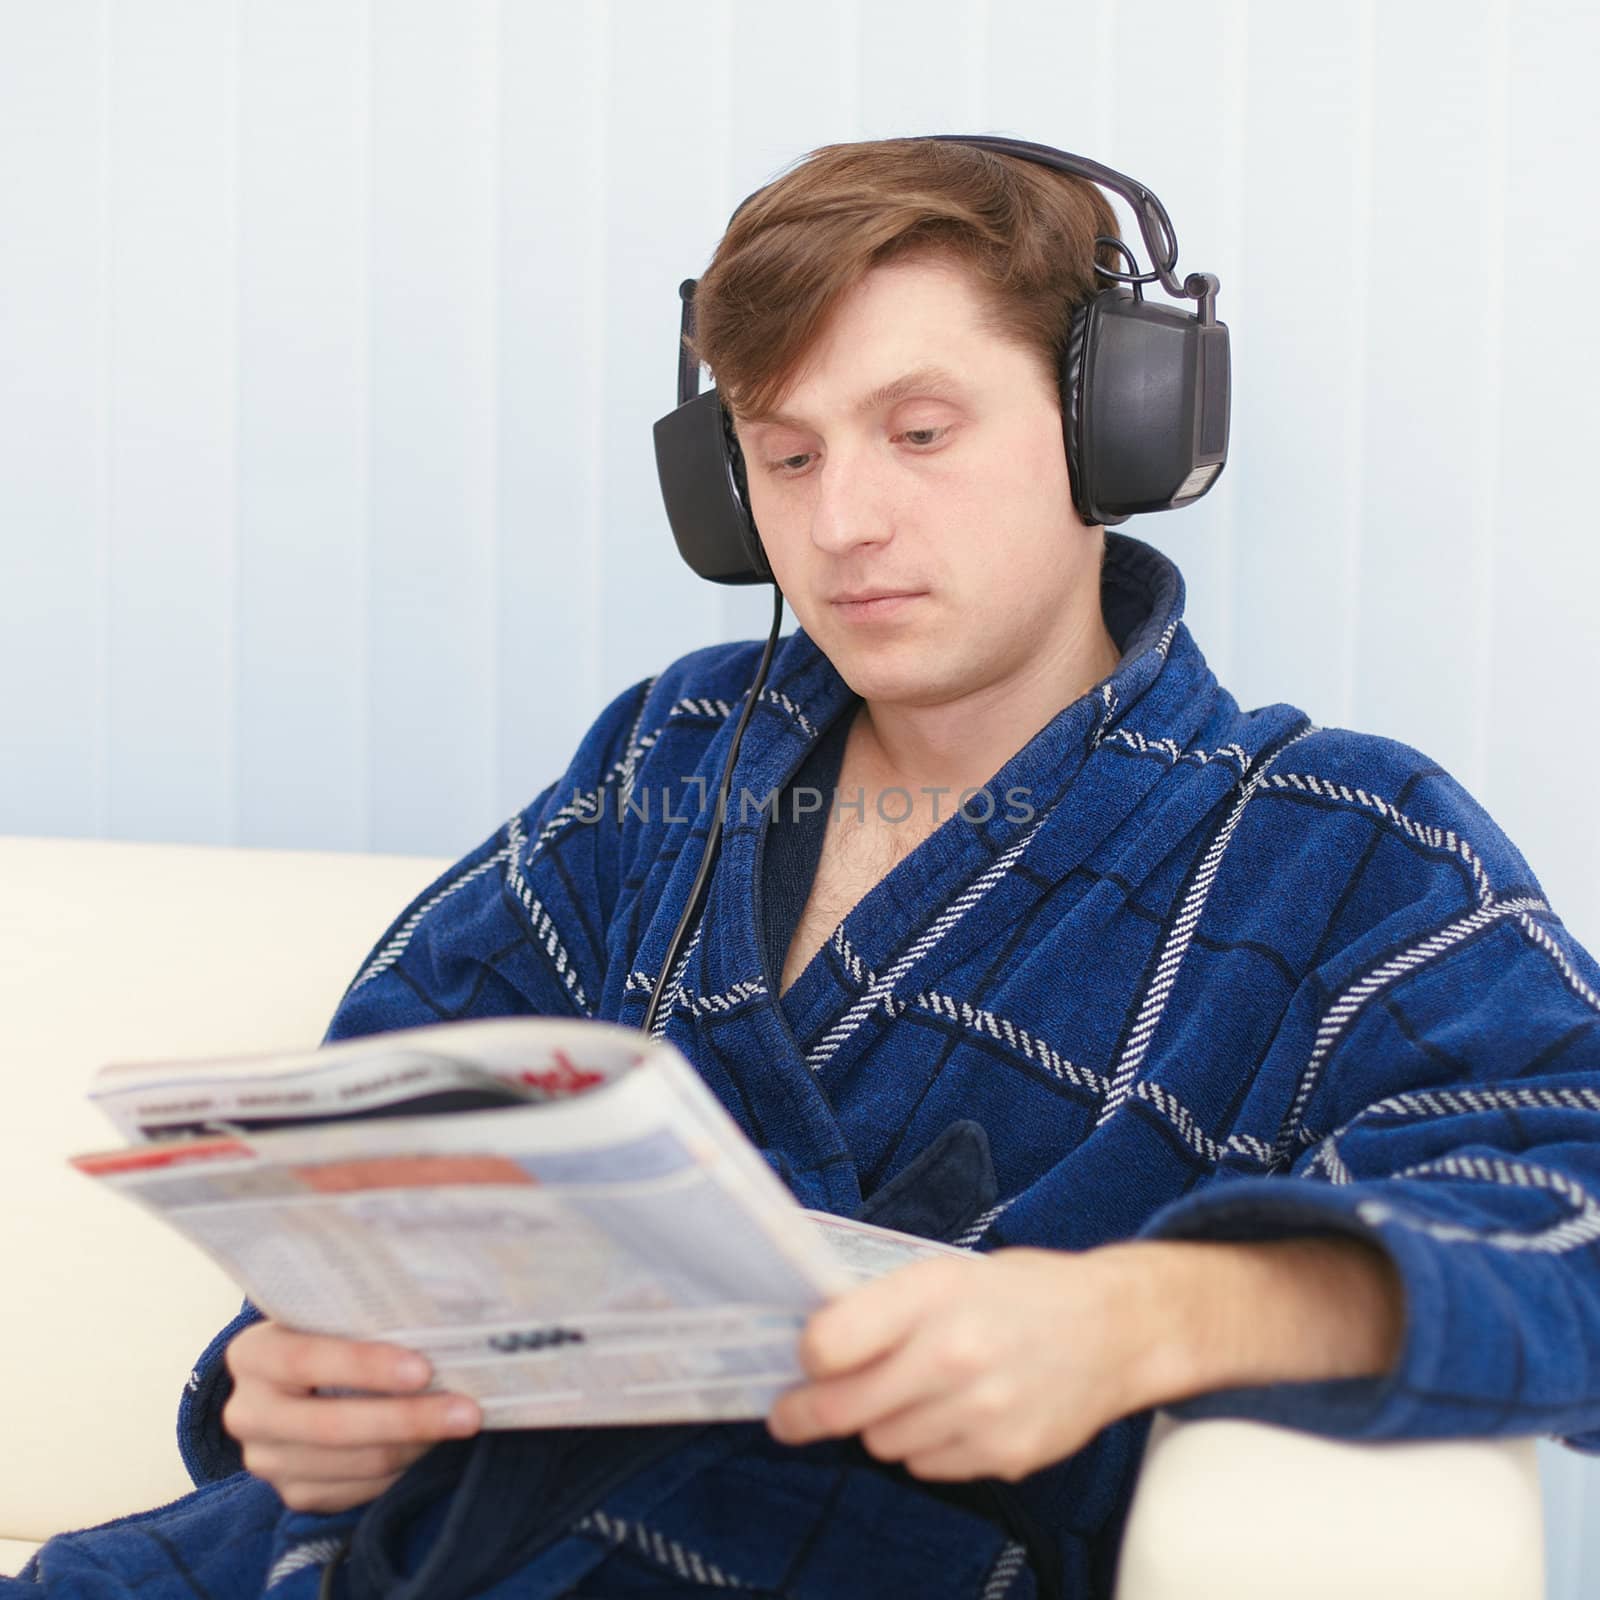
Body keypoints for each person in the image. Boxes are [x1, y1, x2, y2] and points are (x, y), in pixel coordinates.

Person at [15, 135, 1600, 1600]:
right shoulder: (667, 763)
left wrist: (1139, 1322)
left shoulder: (1336, 845)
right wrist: (294, 1386)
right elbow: (370, 1169)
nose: (843, 522)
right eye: (781, 457)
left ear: (1111, 422)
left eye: (919, 431)